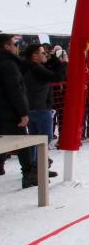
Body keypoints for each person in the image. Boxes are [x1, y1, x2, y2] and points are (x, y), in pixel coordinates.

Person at [21, 44, 66, 175]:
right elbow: (57, 77)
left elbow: (49, 71)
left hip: (32, 107)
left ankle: (36, 166)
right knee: (45, 138)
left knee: (35, 138)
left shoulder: (29, 66)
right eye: (43, 53)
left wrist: (54, 59)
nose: (46, 54)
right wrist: (64, 63)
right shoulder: (36, 69)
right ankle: (38, 166)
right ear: (35, 55)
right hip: (40, 108)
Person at [0, 36, 35, 187]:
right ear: (6, 46)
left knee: (4, 140)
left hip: (4, 110)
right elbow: (15, 90)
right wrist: (23, 112)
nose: (17, 47)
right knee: (22, 142)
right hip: (10, 111)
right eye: (15, 44)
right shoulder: (9, 64)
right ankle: (28, 174)